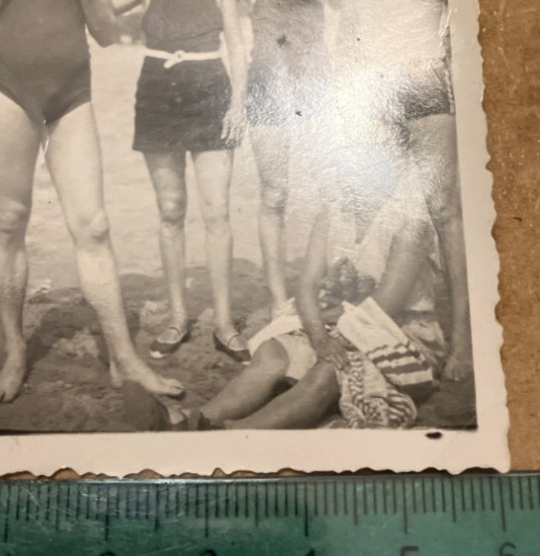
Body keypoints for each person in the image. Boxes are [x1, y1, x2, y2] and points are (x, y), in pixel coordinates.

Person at [0, 0, 183, 403]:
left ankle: (124, 356)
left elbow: (107, 34)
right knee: (9, 219)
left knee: (93, 225)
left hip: (72, 95)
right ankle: (14, 352)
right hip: (7, 90)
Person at [123, 147, 448, 431]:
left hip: (398, 331)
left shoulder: (410, 223)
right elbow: (306, 285)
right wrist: (318, 334)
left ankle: (234, 433)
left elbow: (384, 305)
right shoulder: (334, 213)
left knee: (330, 370)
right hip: (335, 322)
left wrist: (324, 324)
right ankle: (195, 421)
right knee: (272, 353)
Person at [332, 0, 472, 381]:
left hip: (429, 96)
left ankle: (464, 345)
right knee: (384, 210)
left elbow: (465, 26)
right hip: (380, 105)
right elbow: (346, 50)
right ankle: (401, 325)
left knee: (446, 213)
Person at [112, 0, 249, 362]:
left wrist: (238, 104)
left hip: (210, 92)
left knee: (217, 212)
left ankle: (226, 323)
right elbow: (103, 11)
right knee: (170, 211)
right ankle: (177, 317)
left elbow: (236, 45)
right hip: (158, 93)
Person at [228, 0, 336, 315]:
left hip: (316, 89)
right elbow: (235, 44)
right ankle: (277, 299)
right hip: (267, 90)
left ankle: (317, 283)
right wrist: (237, 102)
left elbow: (348, 16)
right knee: (274, 195)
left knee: (327, 191)